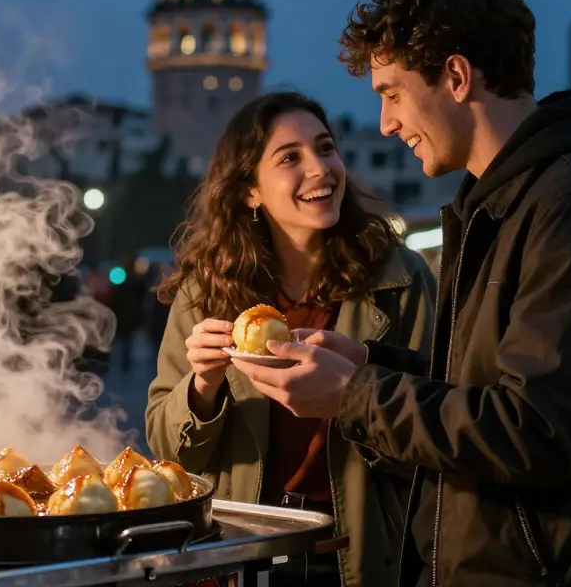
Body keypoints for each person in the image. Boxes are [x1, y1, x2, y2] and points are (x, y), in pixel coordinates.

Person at [230, 0, 571, 586]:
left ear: (455, 75)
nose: (387, 123)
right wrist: (367, 363)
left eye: (392, 94)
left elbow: (539, 430)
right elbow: (487, 388)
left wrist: (355, 395)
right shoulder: (505, 203)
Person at [145, 91, 435, 587]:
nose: (320, 168)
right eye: (290, 158)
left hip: (359, 550)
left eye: (326, 148)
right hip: (242, 551)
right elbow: (169, 452)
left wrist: (353, 394)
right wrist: (203, 387)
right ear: (249, 191)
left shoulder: (399, 279)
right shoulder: (206, 290)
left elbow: (437, 415)